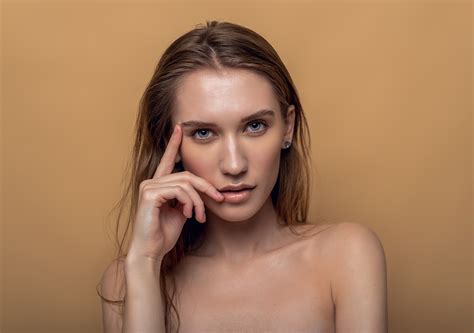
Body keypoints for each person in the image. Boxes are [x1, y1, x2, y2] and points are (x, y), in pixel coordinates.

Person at [97, 20, 388, 333]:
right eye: (204, 132)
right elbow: (139, 269)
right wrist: (144, 263)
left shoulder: (346, 255)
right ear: (172, 142)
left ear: (287, 127)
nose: (234, 165)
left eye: (254, 126)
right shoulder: (125, 281)